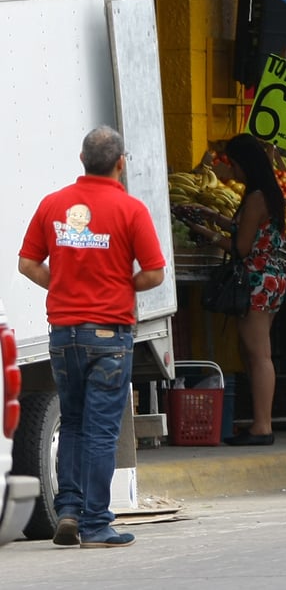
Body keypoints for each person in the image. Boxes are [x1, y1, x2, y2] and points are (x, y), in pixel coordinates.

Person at [18, 126, 166, 548]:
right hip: (109, 335)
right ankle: (97, 524)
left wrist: (64, 285)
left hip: (64, 335)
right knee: (101, 431)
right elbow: (154, 272)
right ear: (121, 163)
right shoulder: (130, 210)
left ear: (82, 160)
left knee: (76, 424)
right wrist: (121, 285)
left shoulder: (53, 204)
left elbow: (28, 263)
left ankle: (68, 510)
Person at [184, 133, 286, 446]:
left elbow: (242, 247)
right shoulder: (267, 194)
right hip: (269, 278)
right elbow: (251, 232)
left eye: (234, 164)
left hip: (256, 280)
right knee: (256, 353)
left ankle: (262, 426)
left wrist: (207, 234)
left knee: (259, 355)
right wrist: (214, 217)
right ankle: (260, 422)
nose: (232, 170)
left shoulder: (256, 197)